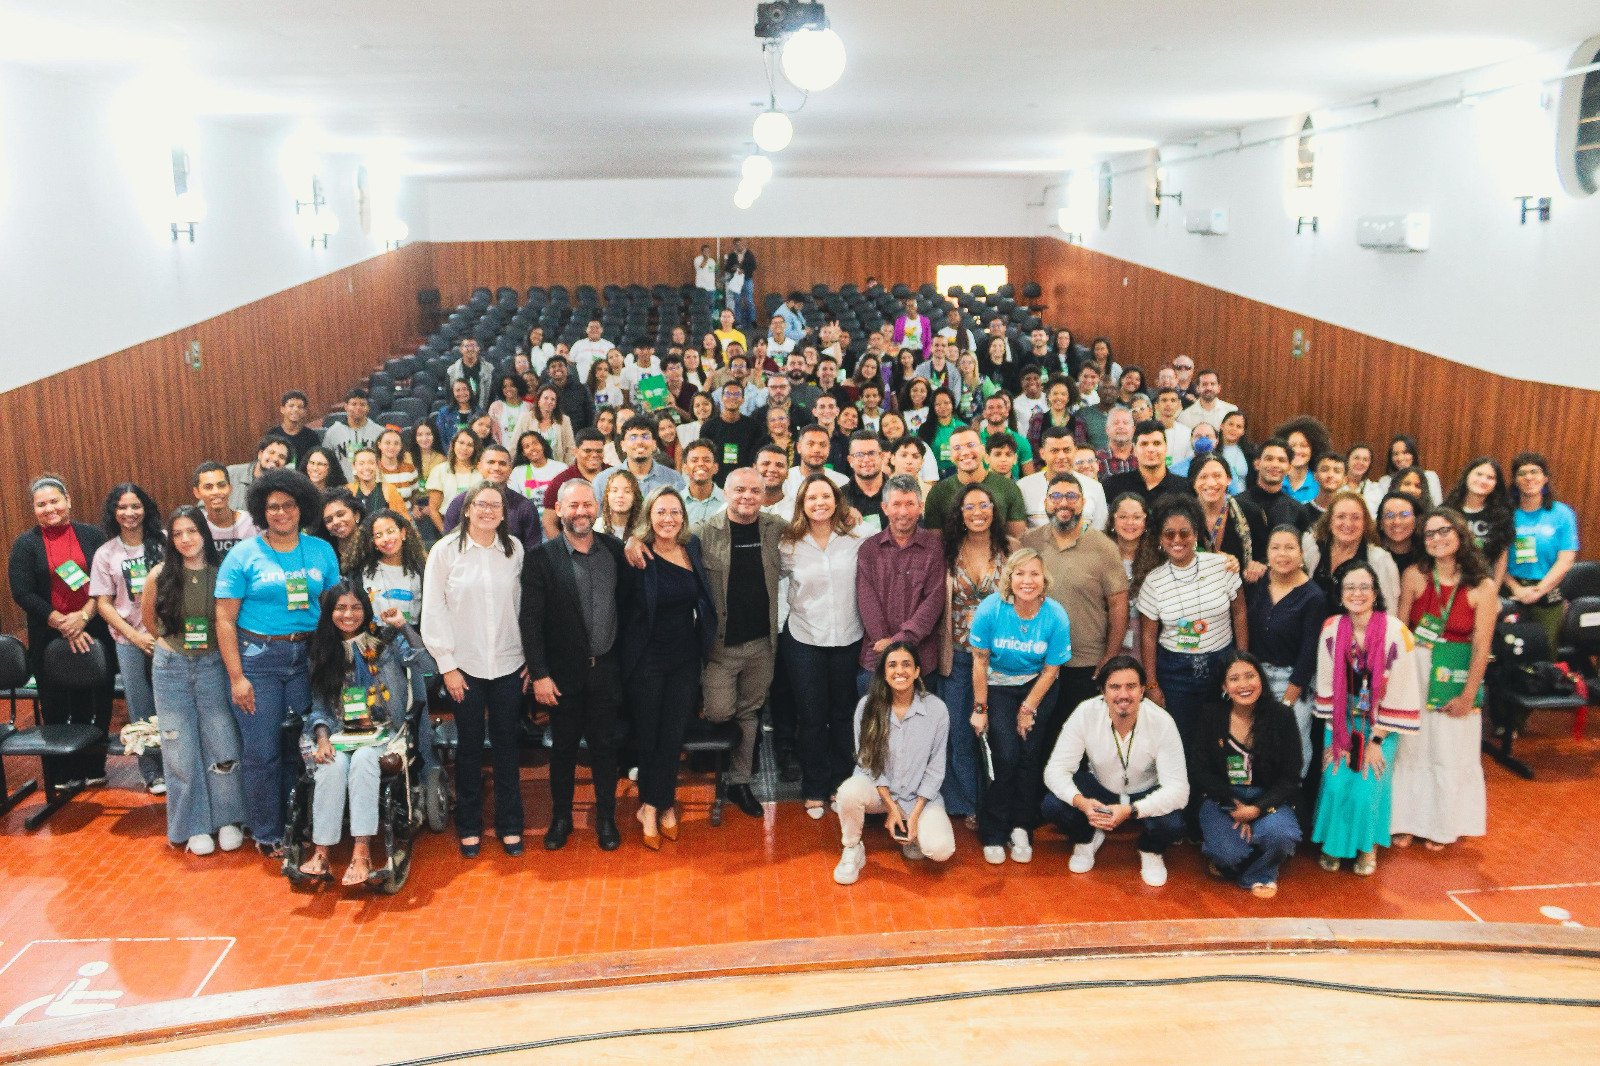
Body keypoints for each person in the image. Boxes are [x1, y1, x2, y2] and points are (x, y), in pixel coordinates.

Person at [630, 468, 781, 818]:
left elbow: (816, 522)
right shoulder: (700, 535)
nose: (747, 496)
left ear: (765, 494)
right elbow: (660, 542)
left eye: (755, 490)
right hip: (720, 647)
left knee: (750, 712)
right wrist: (633, 541)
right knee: (719, 711)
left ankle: (739, 782)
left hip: (762, 644)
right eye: (739, 489)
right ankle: (705, 760)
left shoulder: (776, 528)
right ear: (725, 492)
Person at [214, 469, 340, 856]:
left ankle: (299, 824)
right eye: (272, 507)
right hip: (258, 660)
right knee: (262, 751)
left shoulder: (321, 550)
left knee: (300, 748)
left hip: (308, 658)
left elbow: (334, 607)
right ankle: (268, 832)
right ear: (260, 511)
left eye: (289, 505)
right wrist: (237, 677)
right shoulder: (243, 553)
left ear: (302, 508)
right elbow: (223, 618)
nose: (281, 513)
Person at [298, 582, 429, 885]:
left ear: (366, 610)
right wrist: (322, 738)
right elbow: (319, 707)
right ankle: (321, 851)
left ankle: (361, 851)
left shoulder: (384, 643)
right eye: (340, 608)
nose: (348, 614)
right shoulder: (322, 651)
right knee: (332, 765)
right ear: (329, 613)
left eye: (356, 607)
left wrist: (403, 626)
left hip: (383, 733)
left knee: (364, 762)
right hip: (339, 733)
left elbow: (426, 664)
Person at [425, 482, 527, 857]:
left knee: (506, 746)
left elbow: (523, 608)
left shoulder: (513, 550)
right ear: (467, 509)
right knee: (468, 747)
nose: (488, 511)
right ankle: (469, 824)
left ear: (504, 512)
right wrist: (447, 666)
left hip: (508, 664)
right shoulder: (445, 551)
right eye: (480, 505)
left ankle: (510, 823)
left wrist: (529, 657)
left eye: (495, 506)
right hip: (462, 668)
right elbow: (434, 609)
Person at [141, 506, 246, 854]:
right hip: (171, 667)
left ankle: (228, 819)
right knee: (179, 748)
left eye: (192, 531)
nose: (186, 539)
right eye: (178, 534)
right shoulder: (159, 575)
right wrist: (175, 647)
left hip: (214, 665)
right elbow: (151, 623)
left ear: (205, 532)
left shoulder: (223, 572)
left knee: (222, 742)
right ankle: (194, 825)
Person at [1391, 508, 1495, 850]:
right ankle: (1405, 820)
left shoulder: (1483, 585)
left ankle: (1442, 824)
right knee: (1412, 746)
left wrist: (1468, 695)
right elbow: (1400, 631)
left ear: (1460, 533)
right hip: (1416, 670)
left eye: (1444, 531)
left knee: (1449, 750)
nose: (1437, 539)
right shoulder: (1414, 576)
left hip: (1456, 672)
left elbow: (1482, 646)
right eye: (1430, 534)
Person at [1312, 558, 1423, 875]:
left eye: (1364, 587)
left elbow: (1402, 689)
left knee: (1367, 785)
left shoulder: (1396, 632)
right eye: (1350, 587)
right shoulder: (1332, 629)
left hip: (1380, 723)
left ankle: (1366, 848)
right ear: (1340, 593)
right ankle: (1334, 845)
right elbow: (1325, 684)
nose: (1357, 593)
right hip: (1341, 720)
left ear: (1375, 593)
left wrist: (1376, 740)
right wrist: (1337, 737)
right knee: (1335, 781)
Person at [621, 488, 716, 848]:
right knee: (650, 735)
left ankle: (656, 803)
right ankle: (655, 806)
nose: (668, 519)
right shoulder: (636, 553)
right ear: (649, 515)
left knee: (673, 735)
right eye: (661, 512)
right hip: (646, 659)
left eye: (674, 512)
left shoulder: (691, 549)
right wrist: (630, 539)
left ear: (683, 516)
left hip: (685, 658)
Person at [1040, 656, 1188, 886]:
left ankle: (1150, 849)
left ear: (1142, 690)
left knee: (1173, 823)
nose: (1123, 695)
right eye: (1114, 687)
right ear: (1102, 691)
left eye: (1131, 686)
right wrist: (1082, 803)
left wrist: (1131, 810)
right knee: (1053, 805)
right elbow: (1055, 770)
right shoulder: (1085, 712)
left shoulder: (1162, 721)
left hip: (1144, 794)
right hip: (1100, 789)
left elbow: (1179, 790)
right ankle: (1087, 838)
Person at [8, 475, 115, 788]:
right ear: (34, 509)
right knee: (56, 704)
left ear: (68, 500)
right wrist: (62, 622)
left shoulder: (93, 536)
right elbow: (23, 592)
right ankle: (63, 773)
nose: (49, 508)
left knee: (97, 699)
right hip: (48, 634)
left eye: (55, 500)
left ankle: (94, 767)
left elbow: (105, 582)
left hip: (93, 625)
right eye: (41, 504)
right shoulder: (25, 545)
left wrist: (82, 617)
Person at [969, 548, 1072, 865]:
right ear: (1009, 578)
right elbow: (979, 660)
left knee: (1029, 757)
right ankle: (994, 831)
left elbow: (1052, 670)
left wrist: (1028, 709)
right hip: (998, 686)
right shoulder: (991, 610)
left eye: (1034, 574)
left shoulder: (1055, 615)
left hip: (1037, 687)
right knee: (1006, 756)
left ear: (1044, 579)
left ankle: (1021, 827)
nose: (1027, 581)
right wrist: (980, 708)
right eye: (1020, 573)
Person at [1021, 472, 1130, 754]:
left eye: (1072, 496)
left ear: (1083, 503)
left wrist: (1109, 656)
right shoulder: (1029, 543)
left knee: (1080, 746)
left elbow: (1119, 605)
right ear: (1045, 503)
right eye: (1056, 496)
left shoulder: (1104, 547)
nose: (1063, 503)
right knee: (1037, 744)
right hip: (1036, 663)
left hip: (1084, 664)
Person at [832, 642, 955, 884]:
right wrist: (891, 807)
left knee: (941, 850)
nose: (900, 671)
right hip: (878, 793)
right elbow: (866, 761)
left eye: (907, 664)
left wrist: (915, 813)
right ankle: (853, 848)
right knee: (847, 792)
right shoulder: (867, 707)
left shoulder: (937, 710)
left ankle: (912, 833)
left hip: (917, 796)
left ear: (918, 671)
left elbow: (936, 768)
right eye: (892, 665)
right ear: (884, 673)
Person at [780, 475, 866, 819]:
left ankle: (841, 783)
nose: (819, 503)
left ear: (837, 501)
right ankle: (814, 786)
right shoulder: (788, 544)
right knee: (812, 717)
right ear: (801, 503)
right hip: (804, 639)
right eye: (812, 497)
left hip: (848, 636)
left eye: (826, 496)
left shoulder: (858, 537)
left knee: (843, 715)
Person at [1134, 494, 1247, 748]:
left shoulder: (1222, 566)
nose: (1177, 540)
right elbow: (1148, 636)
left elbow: (1239, 612)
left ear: (1196, 533)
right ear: (1161, 539)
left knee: (1222, 738)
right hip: (1175, 672)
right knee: (1182, 741)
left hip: (1222, 664)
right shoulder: (1153, 581)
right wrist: (1151, 683)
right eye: (1169, 534)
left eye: (1184, 533)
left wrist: (1241, 659)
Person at [1189, 652, 1303, 897]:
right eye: (1234, 679)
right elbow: (1199, 769)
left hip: (1267, 798)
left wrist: (1257, 809)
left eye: (1250, 676)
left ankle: (1260, 874)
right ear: (1224, 686)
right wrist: (1234, 804)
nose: (1244, 685)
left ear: (1261, 680)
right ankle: (1234, 860)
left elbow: (1291, 776)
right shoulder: (1211, 715)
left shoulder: (1282, 716)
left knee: (1281, 836)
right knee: (1226, 852)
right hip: (1223, 798)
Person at [937, 483, 1014, 827]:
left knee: (998, 733)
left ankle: (997, 802)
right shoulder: (947, 551)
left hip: (1001, 658)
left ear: (994, 510)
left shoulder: (1011, 550)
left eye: (984, 505)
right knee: (959, 732)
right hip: (958, 656)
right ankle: (970, 802)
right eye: (969, 507)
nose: (977, 513)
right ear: (960, 514)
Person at [1246, 527, 1328, 827]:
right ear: (1266, 553)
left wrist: (1287, 700)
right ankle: (1256, 808)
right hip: (1255, 679)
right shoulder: (1256, 584)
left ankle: (1287, 810)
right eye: (1276, 548)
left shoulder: (1313, 597)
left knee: (1295, 749)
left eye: (1290, 548)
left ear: (1302, 554)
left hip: (1293, 681)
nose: (1282, 555)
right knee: (1254, 744)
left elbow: (1309, 654)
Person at [89, 483, 165, 792]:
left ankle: (179, 766)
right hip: (129, 641)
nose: (129, 513)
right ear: (114, 513)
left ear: (145, 509)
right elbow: (104, 603)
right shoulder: (106, 553)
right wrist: (135, 636)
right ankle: (152, 772)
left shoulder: (164, 544)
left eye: (135, 506)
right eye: (122, 507)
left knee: (172, 704)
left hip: (167, 639)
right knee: (141, 706)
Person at [857, 475, 947, 691]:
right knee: (873, 722)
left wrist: (901, 641)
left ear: (920, 507)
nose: (903, 512)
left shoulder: (934, 548)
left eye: (910, 504)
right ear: (885, 507)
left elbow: (933, 603)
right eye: (896, 504)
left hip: (921, 659)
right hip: (876, 656)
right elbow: (867, 603)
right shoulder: (869, 549)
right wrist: (887, 645)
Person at [1504, 452, 1580, 650]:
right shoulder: (1505, 513)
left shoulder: (1562, 514)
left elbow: (1566, 559)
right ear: (1515, 480)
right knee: (1509, 651)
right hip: (1511, 592)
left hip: (1548, 594)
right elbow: (1495, 558)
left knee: (1544, 654)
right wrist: (1516, 588)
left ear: (1545, 478)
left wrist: (1539, 590)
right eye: (1522, 473)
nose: (1529, 477)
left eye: (1534, 472)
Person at [1302, 490, 1402, 607]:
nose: (1348, 523)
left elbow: (1389, 613)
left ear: (1365, 523)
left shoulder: (1380, 560)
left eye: (1355, 517)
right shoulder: (1312, 548)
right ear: (1329, 521)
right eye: (1341, 516)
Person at [922, 427, 1028, 537]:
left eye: (971, 445)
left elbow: (1018, 539)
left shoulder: (1008, 488)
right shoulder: (938, 493)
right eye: (957, 448)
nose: (965, 452)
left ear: (982, 450)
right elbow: (934, 543)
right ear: (950, 455)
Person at [442, 443, 543, 547]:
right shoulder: (460, 503)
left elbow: (533, 552)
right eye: (491, 462)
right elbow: (448, 546)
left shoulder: (525, 507)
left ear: (510, 469)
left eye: (502, 463)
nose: (496, 468)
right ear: (479, 466)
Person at [1190, 454, 1267, 583]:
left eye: (1217, 476)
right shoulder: (1183, 515)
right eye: (1203, 477)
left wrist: (1258, 566)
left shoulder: (1250, 512)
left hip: (1243, 589)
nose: (1211, 483)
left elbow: (1265, 556)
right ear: (1193, 482)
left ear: (1229, 479)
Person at [1443, 457, 1513, 583]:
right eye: (1479, 474)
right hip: (1447, 581)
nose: (1483, 480)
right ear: (1467, 475)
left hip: (1483, 584)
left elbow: (1501, 559)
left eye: (1490, 477)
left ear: (1496, 484)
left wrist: (1493, 591)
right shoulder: (1447, 510)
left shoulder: (1501, 516)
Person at [594, 415, 686, 504]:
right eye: (633, 437)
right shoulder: (603, 481)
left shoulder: (674, 480)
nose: (639, 442)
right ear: (623, 445)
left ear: (654, 444)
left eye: (645, 436)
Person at [1102, 421, 1195, 508]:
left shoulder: (1185, 489)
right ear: (1134, 450)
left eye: (1157, 443)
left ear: (1166, 448)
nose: (1150, 449)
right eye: (1144, 444)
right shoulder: (1113, 486)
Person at [1244, 437, 1311, 533]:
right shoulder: (1237, 504)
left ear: (1289, 468)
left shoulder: (1297, 510)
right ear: (1257, 464)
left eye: (1281, 460)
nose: (1275, 465)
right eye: (1269, 459)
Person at [425, 429, 482, 537]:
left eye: (470, 445)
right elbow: (433, 510)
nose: (464, 448)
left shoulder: (480, 472)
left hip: (475, 524)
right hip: (446, 524)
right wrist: (446, 534)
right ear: (453, 444)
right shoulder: (440, 470)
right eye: (461, 443)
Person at [321, 390, 383, 478]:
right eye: (353, 404)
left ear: (368, 408)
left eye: (362, 404)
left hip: (373, 485)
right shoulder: (333, 432)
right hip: (343, 486)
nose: (358, 408)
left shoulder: (379, 432)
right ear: (346, 407)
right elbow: (325, 461)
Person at [226, 436, 291, 511]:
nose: (275, 458)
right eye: (271, 452)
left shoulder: (284, 488)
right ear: (260, 454)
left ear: (285, 465)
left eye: (281, 457)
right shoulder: (231, 473)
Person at [509, 431, 567, 514]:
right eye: (527, 446)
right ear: (523, 453)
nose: (532, 448)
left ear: (543, 445)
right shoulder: (518, 472)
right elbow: (513, 501)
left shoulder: (561, 468)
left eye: (535, 443)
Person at [1377, 434, 1443, 506]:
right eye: (1395, 454)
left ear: (1413, 454)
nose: (1400, 458)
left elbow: (1438, 507)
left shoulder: (1430, 476)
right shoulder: (1385, 481)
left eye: (1405, 453)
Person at [1376, 491, 1426, 577]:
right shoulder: (1373, 557)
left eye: (1404, 514)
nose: (1397, 522)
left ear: (1416, 520)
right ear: (1380, 523)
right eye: (1390, 515)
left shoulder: (1426, 556)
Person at [268, 390, 322, 465]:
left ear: (305, 412)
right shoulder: (272, 434)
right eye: (291, 406)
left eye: (300, 407)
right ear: (282, 409)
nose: (295, 410)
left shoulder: (312, 437)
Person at [446, 338, 495, 409]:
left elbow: (492, 395)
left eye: (473, 346)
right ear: (461, 349)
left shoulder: (490, 369)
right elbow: (449, 397)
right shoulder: (451, 371)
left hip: (484, 413)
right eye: (466, 346)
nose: (470, 349)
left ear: (478, 348)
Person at [596, 468, 643, 538]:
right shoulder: (596, 527)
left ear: (635, 497)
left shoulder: (644, 529)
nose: (620, 495)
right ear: (607, 495)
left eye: (627, 491)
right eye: (614, 491)